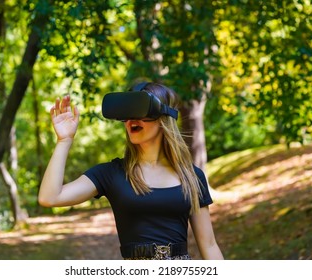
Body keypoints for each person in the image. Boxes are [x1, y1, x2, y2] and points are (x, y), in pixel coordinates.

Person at [38, 82, 224, 260]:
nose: (131, 120)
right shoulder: (110, 174)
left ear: (163, 117)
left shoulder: (191, 177)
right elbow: (50, 197)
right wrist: (64, 141)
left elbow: (209, 245)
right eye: (127, 114)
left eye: (139, 110)